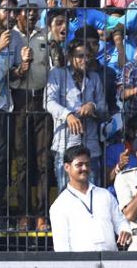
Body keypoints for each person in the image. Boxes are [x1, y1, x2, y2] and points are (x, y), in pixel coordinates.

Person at [0, 0, 29, 231]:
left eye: (14, 11)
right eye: (6, 10)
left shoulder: (16, 39)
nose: (11, 16)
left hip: (1, 109)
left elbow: (12, 75)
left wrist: (22, 67)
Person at [10, 0, 52, 231]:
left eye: (36, 12)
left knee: (44, 160)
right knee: (24, 161)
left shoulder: (44, 35)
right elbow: (7, 74)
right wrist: (21, 69)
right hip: (19, 102)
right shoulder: (12, 37)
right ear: (18, 14)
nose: (33, 15)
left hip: (42, 101)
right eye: (28, 11)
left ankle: (42, 214)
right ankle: (25, 213)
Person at [46, 38, 108, 189]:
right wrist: (68, 115)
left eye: (88, 56)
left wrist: (92, 107)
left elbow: (104, 109)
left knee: (92, 193)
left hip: (90, 145)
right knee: (65, 194)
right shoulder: (58, 75)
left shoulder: (94, 78)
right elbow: (49, 102)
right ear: (69, 57)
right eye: (80, 56)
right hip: (66, 144)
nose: (84, 60)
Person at [50, 145, 131, 252]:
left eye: (87, 164)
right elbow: (61, 246)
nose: (84, 168)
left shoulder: (105, 195)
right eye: (79, 165)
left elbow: (120, 222)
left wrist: (124, 230)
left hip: (111, 261)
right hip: (80, 264)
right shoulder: (60, 205)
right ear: (67, 167)